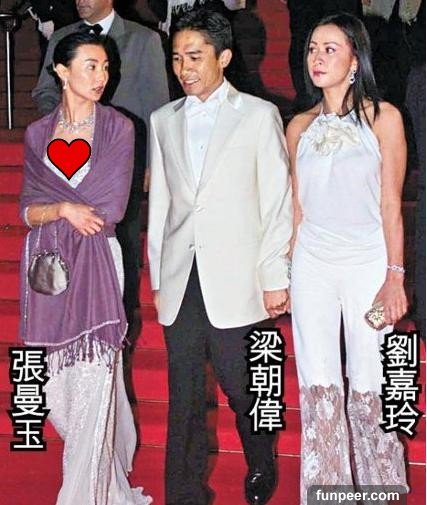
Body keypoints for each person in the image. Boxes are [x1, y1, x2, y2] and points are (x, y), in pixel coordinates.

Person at [148, 9, 292, 505]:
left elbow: (276, 202)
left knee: (242, 384)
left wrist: (274, 274)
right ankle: (185, 493)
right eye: (176, 58)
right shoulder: (163, 120)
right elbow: (161, 206)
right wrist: (158, 278)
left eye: (194, 57)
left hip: (238, 275)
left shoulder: (258, 114)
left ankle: (260, 457)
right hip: (181, 275)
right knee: (184, 392)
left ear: (224, 57)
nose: (183, 68)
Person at [20, 31, 152, 505]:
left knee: (96, 379)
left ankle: (81, 495)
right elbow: (26, 211)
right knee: (57, 389)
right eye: (91, 66)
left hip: (99, 264)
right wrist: (62, 210)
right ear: (62, 71)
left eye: (106, 68)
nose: (102, 76)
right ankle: (103, 477)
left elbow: (110, 207)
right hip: (49, 270)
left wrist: (54, 208)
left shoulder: (119, 128)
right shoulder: (37, 135)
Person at [285, 13, 408, 504]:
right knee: (318, 386)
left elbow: (391, 204)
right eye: (313, 48)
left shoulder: (384, 118)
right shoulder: (298, 126)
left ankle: (381, 492)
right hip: (312, 267)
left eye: (330, 49)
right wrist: (286, 272)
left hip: (367, 266)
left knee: (370, 383)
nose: (317, 58)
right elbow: (297, 208)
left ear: (356, 60)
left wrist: (394, 276)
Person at [32, 0, 170, 335]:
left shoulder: (143, 39)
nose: (80, 0)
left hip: (123, 164)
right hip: (67, 164)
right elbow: (44, 91)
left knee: (122, 241)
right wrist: (64, 123)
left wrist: (152, 164)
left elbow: (157, 106)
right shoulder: (62, 37)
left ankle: (119, 323)